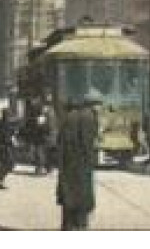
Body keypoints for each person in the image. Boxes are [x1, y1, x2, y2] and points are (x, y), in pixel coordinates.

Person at [57, 92, 100, 230]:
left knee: (69, 196)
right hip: (81, 164)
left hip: (68, 163)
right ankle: (80, 226)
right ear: (93, 104)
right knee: (82, 196)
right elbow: (87, 143)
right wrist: (91, 160)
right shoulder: (88, 117)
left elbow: (61, 142)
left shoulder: (69, 117)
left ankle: (69, 227)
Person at [0, 102, 19, 189]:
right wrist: (13, 139)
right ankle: (0, 181)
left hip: (3, 147)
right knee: (7, 164)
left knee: (5, 164)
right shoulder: (4, 124)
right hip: (4, 147)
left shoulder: (4, 123)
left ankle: (0, 181)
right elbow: (6, 137)